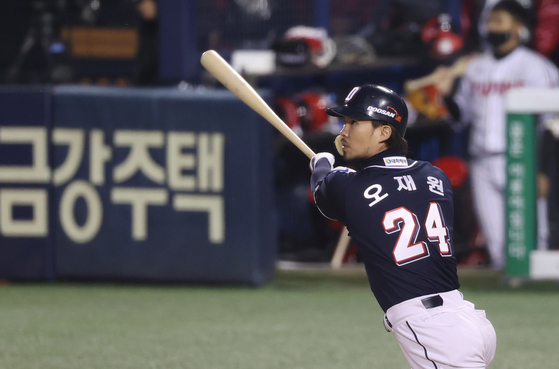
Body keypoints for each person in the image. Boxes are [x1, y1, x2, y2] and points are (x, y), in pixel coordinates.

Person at [309, 84, 497, 368]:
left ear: (384, 132)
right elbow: (388, 188)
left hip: (435, 331)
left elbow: (323, 191)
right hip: (466, 319)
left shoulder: (348, 186)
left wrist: (321, 162)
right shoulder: (436, 176)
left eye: (354, 122)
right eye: (344, 122)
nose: (343, 132)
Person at [436, 0, 559, 269]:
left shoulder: (536, 67)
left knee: (531, 236)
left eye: (499, 21)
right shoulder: (475, 66)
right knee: (496, 241)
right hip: (482, 160)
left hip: (523, 159)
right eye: (490, 21)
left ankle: (535, 297)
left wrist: (544, 170)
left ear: (518, 26)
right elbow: (461, 117)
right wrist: (446, 97)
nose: (492, 26)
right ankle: (511, 298)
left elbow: (552, 123)